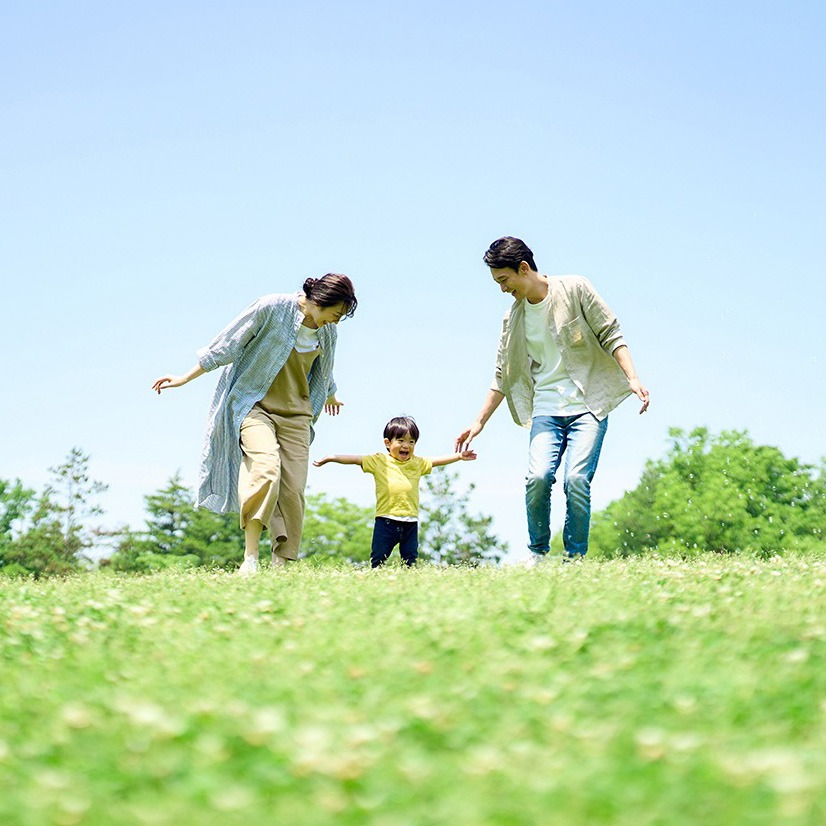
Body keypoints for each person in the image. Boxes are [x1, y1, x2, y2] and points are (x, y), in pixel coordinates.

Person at [455, 237, 649, 563]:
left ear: (524, 268)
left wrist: (632, 378)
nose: (502, 289)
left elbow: (611, 333)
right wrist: (478, 422)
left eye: (504, 280)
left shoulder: (575, 288)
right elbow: (503, 375)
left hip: (588, 405)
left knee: (576, 480)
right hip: (546, 409)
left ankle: (574, 557)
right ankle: (538, 553)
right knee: (538, 477)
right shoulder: (513, 318)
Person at [152, 273, 358, 575]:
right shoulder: (271, 307)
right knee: (265, 469)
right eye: (336, 314)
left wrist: (332, 394)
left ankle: (281, 565)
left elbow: (325, 370)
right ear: (320, 300)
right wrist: (184, 377)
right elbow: (227, 344)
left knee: (293, 490)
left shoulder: (328, 333)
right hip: (254, 406)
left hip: (296, 414)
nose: (336, 321)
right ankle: (250, 557)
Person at [313, 415, 477, 568]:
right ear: (387, 443)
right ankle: (375, 577)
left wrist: (459, 456)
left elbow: (436, 461)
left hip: (410, 522)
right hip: (386, 521)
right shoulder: (379, 461)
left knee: (410, 559)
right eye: (401, 440)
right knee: (378, 558)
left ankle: (409, 580)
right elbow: (356, 459)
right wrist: (332, 458)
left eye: (411, 442)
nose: (406, 445)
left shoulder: (417, 463)